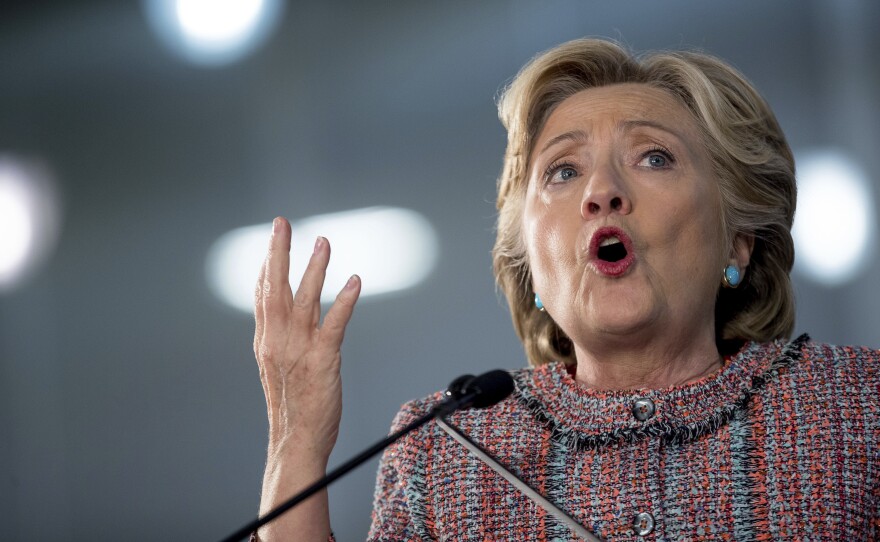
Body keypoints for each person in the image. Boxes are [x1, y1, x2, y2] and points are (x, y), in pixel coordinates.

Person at [250, 38, 880, 540]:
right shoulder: (447, 455)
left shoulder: (856, 408)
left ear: (737, 242)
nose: (600, 191)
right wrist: (295, 442)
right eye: (563, 170)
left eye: (654, 157)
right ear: (531, 267)